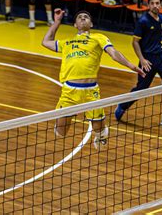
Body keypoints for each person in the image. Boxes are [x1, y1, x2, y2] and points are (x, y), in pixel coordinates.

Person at [42, 9, 145, 150]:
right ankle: (69, 118)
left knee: (99, 132)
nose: (83, 18)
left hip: (91, 93)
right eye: (79, 17)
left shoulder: (98, 37)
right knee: (60, 133)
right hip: (69, 92)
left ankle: (101, 133)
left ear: (91, 24)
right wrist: (57, 22)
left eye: (86, 17)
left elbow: (114, 53)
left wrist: (132, 66)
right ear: (75, 25)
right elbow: (46, 42)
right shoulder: (67, 42)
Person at [115, 0, 162, 128]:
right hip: (148, 60)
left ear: (160, 5)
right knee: (142, 88)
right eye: (152, 3)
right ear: (148, 5)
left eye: (157, 3)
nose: (155, 5)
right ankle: (123, 105)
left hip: (161, 56)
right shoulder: (143, 21)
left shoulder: (161, 18)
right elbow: (135, 42)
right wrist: (142, 59)